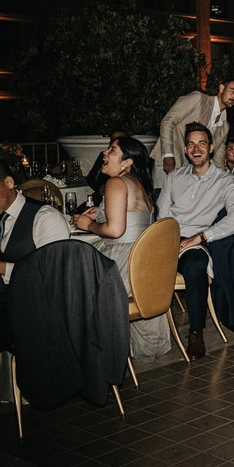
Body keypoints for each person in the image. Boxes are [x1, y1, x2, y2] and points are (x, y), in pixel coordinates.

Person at [0, 157, 70, 440]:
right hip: (1, 301)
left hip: (40, 308)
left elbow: (54, 275)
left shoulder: (45, 217)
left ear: (8, 183)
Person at [72, 136, 170, 358]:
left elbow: (115, 231)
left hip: (122, 263)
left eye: (112, 150)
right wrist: (100, 214)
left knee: (70, 276)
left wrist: (89, 224)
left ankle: (85, 353)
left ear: (127, 162)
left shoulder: (115, 183)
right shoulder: (139, 185)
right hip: (142, 262)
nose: (104, 154)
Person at [156, 122, 234, 360]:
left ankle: (196, 332)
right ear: (185, 149)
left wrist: (203, 235)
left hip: (196, 244)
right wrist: (165, 241)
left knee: (196, 263)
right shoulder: (173, 178)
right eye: (191, 144)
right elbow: (162, 217)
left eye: (202, 143)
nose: (196, 149)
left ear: (212, 147)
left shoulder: (225, 181)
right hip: (167, 241)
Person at [149, 80, 234, 190]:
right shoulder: (198, 99)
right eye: (232, 91)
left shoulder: (225, 125)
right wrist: (168, 155)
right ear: (221, 88)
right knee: (161, 201)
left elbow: (219, 155)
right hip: (169, 161)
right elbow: (168, 121)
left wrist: (221, 179)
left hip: (191, 172)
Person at [85, 129, 129, 206]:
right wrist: (102, 189)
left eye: (113, 149)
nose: (105, 152)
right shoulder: (104, 158)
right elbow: (91, 179)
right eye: (112, 140)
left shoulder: (120, 182)